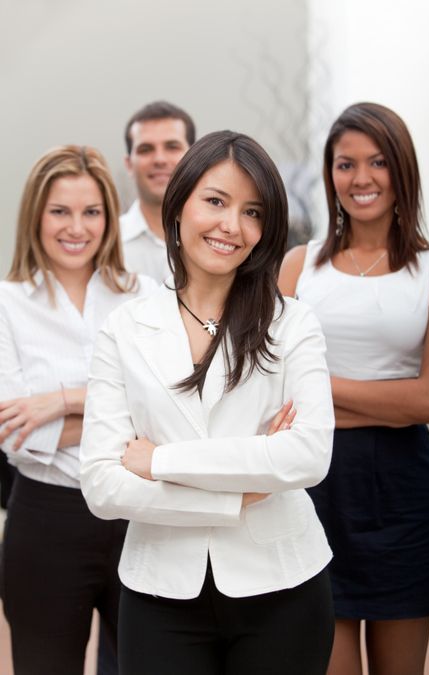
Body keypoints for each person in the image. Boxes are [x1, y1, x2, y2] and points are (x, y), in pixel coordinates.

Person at [80, 130, 336, 675]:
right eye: (215, 202)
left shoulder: (293, 324)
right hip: (159, 592)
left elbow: (307, 458)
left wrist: (160, 462)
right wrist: (238, 492)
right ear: (179, 207)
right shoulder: (125, 328)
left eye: (252, 212)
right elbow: (102, 484)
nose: (231, 226)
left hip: (284, 586)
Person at [279, 101, 429, 675]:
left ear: (401, 171)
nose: (361, 178)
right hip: (318, 485)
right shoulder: (298, 268)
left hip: (406, 489)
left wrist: (320, 390)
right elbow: (277, 393)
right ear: (329, 174)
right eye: (344, 164)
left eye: (377, 162)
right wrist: (386, 404)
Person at [0, 145, 156, 675]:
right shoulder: (6, 304)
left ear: (110, 218)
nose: (77, 227)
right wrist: (118, 412)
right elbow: (11, 432)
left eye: (91, 212)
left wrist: (57, 402)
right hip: (46, 520)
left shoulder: (145, 297)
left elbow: (162, 405)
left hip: (140, 516)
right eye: (60, 211)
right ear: (36, 216)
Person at [120, 100, 196, 281]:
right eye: (146, 149)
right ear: (129, 164)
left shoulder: (222, 238)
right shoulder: (106, 245)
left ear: (195, 157)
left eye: (172, 147)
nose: (160, 159)